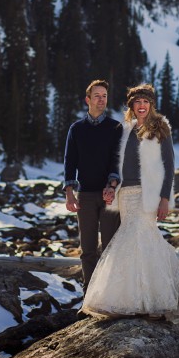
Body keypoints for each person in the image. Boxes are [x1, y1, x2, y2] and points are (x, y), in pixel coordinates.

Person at [80, 83, 179, 321]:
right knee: (128, 240)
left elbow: (169, 166)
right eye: (137, 102)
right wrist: (112, 187)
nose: (141, 105)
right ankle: (130, 299)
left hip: (148, 193)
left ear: (151, 104)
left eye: (145, 102)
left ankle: (155, 300)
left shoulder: (161, 128)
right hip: (125, 194)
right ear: (131, 105)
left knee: (143, 237)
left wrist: (165, 198)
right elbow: (116, 164)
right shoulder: (125, 129)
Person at [63, 79, 123, 292]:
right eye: (97, 96)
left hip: (110, 195)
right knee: (87, 249)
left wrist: (112, 185)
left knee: (110, 248)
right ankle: (89, 294)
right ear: (88, 99)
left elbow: (117, 159)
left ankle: (109, 293)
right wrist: (69, 194)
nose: (101, 100)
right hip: (85, 195)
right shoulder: (76, 129)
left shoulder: (115, 127)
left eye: (104, 96)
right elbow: (70, 161)